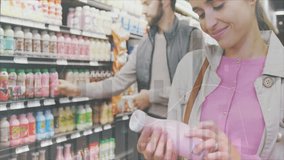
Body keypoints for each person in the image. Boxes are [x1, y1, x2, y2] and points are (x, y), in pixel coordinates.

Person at [137, 0, 284, 159]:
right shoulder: (190, 68)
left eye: (217, 5)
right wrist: (162, 153)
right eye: (200, 13)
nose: (209, 23)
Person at [57, 0, 204, 118]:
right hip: (149, 124)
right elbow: (117, 83)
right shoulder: (145, 44)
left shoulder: (191, 36)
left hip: (181, 125)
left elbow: (194, 87)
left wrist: (150, 96)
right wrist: (77, 89)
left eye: (147, 3)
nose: (143, 11)